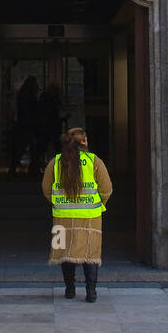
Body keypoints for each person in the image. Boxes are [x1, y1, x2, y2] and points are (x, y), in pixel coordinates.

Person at [42, 126, 112, 302]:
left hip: (62, 217)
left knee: (65, 253)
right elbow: (106, 188)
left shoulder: (55, 162)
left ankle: (70, 289)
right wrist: (99, 203)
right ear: (84, 142)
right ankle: (91, 292)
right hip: (90, 217)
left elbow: (46, 189)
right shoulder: (94, 161)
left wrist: (58, 203)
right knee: (91, 253)